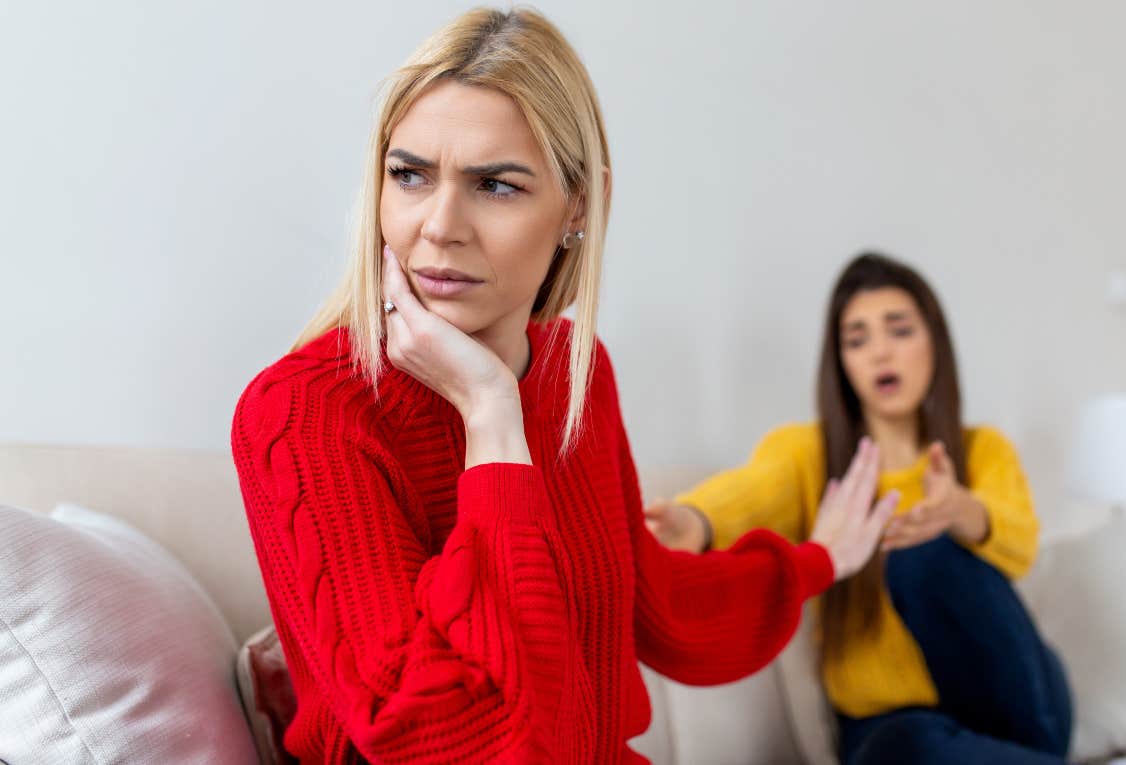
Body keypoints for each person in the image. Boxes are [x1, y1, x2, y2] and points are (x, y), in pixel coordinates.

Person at [229, 9, 894, 764]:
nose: (439, 225)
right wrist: (490, 419)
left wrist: (820, 560)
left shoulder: (577, 371)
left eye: (496, 186)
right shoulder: (304, 412)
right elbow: (433, 734)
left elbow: (657, 605)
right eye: (409, 174)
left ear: (579, 204)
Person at [646, 252, 1075, 764]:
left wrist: (961, 511)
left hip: (1019, 711)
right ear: (842, 363)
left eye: (899, 331)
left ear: (933, 343)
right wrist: (692, 522)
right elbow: (750, 493)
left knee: (923, 558)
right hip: (896, 729)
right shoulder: (810, 454)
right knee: (901, 747)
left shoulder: (982, 450)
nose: (880, 354)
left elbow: (1022, 543)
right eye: (857, 339)